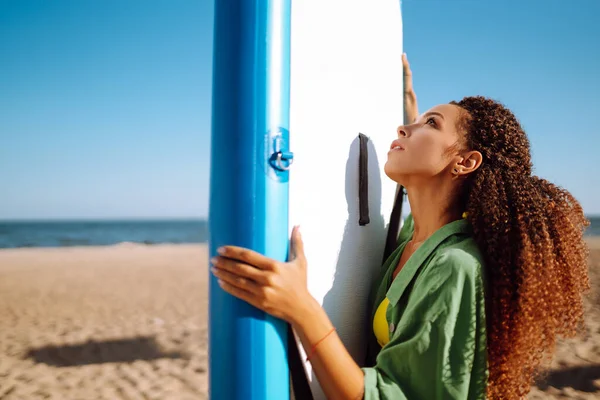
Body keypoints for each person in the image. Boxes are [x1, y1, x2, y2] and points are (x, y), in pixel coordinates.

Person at [210, 54, 590, 399]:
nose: (403, 128)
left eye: (430, 123)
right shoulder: (419, 238)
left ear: (465, 162)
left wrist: (302, 309)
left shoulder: (455, 265)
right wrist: (413, 110)